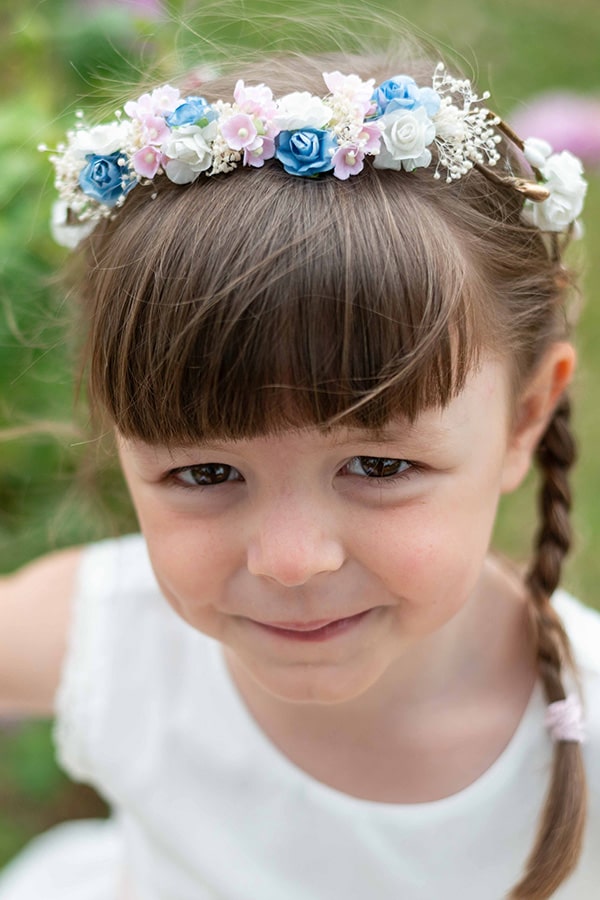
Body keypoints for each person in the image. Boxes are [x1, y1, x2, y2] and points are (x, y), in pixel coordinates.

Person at [0, 42, 597, 900]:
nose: (290, 559)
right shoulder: (116, 635)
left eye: (379, 463)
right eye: (206, 474)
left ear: (526, 417)